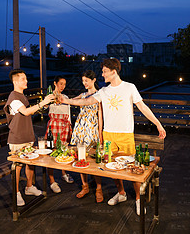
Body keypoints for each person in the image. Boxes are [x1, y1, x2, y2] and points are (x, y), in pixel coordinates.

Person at [59, 58, 166, 215]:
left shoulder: (129, 88)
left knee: (132, 169)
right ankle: (121, 193)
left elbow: (142, 107)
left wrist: (158, 124)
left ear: (113, 71)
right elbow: (86, 101)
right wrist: (66, 100)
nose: (102, 75)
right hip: (108, 135)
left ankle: (138, 199)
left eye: (104, 71)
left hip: (125, 135)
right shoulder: (103, 91)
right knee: (113, 169)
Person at [4, 69, 55, 207]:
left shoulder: (22, 96)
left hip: (27, 136)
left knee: (30, 163)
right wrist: (42, 102)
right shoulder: (13, 97)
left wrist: (43, 104)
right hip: (17, 138)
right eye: (22, 79)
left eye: (26, 78)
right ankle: (16, 193)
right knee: (17, 166)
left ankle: (29, 187)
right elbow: (26, 112)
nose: (26, 81)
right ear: (15, 81)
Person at [70, 70, 103, 202]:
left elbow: (100, 114)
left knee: (95, 159)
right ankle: (85, 186)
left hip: (92, 127)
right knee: (80, 157)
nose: (84, 83)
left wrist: (100, 132)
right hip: (80, 128)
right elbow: (71, 100)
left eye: (86, 81)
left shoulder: (99, 95)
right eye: (83, 81)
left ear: (94, 80)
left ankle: (99, 188)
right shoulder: (83, 94)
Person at [45, 76, 74, 193]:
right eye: (61, 84)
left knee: (63, 150)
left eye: (64, 84)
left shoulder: (65, 97)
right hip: (54, 126)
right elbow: (44, 108)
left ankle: (63, 173)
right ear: (55, 83)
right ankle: (52, 181)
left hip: (65, 126)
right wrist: (48, 100)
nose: (63, 86)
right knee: (51, 151)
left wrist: (70, 128)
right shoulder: (49, 97)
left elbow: (68, 114)